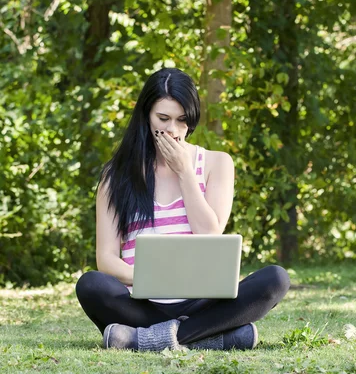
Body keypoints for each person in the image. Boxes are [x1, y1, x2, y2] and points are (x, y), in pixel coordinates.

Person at [75, 68, 290, 352]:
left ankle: (143, 340)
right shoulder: (115, 175)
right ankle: (214, 337)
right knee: (91, 285)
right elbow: (106, 259)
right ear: (146, 116)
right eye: (163, 119)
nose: (173, 130)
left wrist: (185, 172)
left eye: (182, 120)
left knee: (276, 279)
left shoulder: (217, 163)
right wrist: (152, 279)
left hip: (202, 301)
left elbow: (209, 234)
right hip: (142, 302)